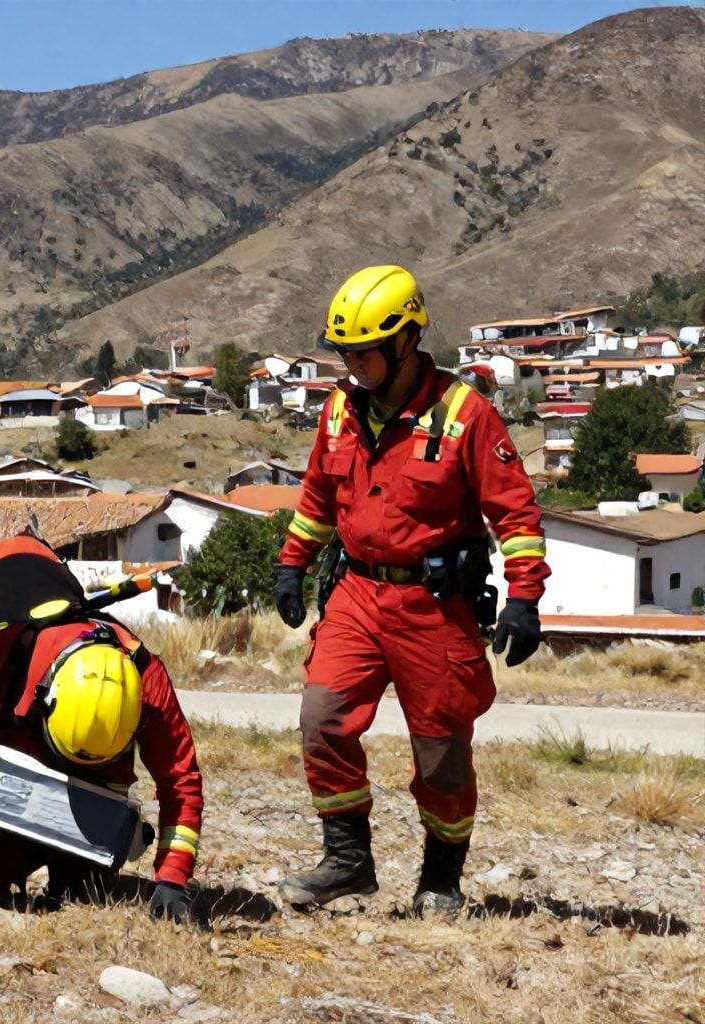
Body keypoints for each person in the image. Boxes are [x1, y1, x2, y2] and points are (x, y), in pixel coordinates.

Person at [273, 265, 547, 916]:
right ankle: (348, 861)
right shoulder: (340, 409)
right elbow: (317, 498)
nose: (350, 366)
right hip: (357, 597)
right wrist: (292, 562)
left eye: (362, 353)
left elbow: (516, 514)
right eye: (343, 353)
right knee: (322, 721)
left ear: (404, 342)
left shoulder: (463, 413)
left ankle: (441, 879)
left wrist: (525, 596)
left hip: (435, 608)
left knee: (442, 754)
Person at [0, 535, 204, 925]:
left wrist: (171, 878)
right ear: (46, 698)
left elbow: (180, 780)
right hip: (6, 813)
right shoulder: (7, 659)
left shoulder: (143, 679)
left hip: (90, 826)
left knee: (83, 894)